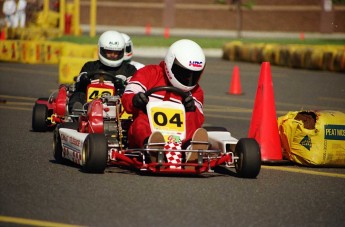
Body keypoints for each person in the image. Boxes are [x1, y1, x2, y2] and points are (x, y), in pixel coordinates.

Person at [121, 39, 209, 162]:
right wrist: (135, 99)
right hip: (148, 130)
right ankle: (152, 148)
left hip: (179, 138)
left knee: (191, 115)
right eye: (184, 72)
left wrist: (191, 108)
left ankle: (190, 148)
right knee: (141, 120)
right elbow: (128, 96)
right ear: (170, 62)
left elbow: (198, 119)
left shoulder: (196, 91)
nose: (188, 77)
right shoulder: (149, 73)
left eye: (193, 74)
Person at [68, 30, 137, 113]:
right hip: (89, 105)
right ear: (101, 50)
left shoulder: (129, 69)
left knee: (131, 96)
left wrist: (122, 85)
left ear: (122, 52)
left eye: (116, 52)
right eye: (109, 51)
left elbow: (135, 87)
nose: (113, 55)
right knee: (80, 92)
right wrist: (84, 79)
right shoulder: (90, 66)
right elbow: (80, 79)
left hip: (118, 106)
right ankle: (77, 112)